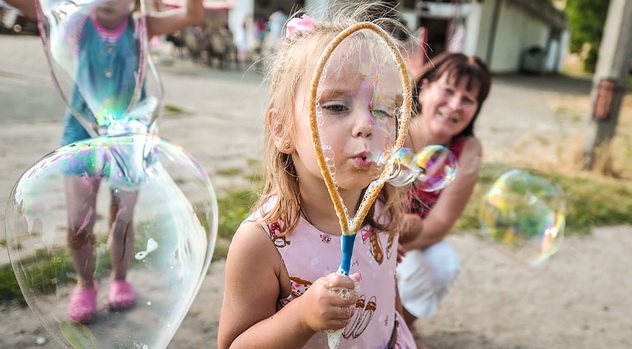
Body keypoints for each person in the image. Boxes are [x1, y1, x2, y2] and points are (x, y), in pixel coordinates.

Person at [217, 4, 417, 348]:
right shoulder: (262, 242)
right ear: (282, 129)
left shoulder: (382, 209)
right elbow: (234, 345)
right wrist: (302, 316)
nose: (366, 125)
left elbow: (387, 299)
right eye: (337, 106)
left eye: (382, 109)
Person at [5, 0, 204, 324]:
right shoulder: (76, 24)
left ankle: (120, 279)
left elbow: (192, 15)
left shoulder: (143, 26)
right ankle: (85, 285)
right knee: (78, 220)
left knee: (122, 218)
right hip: (80, 134)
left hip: (130, 138)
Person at [396, 52, 492, 346]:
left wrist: (396, 245)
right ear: (424, 89)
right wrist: (381, 243)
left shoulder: (469, 149)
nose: (454, 105)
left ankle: (402, 327)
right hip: (363, 233)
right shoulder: (392, 131)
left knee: (442, 262)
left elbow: (440, 223)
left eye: (468, 99)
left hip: (412, 239)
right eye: (448, 91)